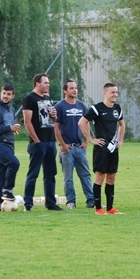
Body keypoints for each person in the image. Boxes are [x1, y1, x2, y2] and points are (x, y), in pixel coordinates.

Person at [78, 82, 126, 215]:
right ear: (105, 93)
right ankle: (98, 208)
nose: (115, 94)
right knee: (100, 177)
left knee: (112, 177)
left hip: (113, 149)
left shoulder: (117, 108)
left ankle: (110, 208)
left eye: (116, 92)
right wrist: (90, 139)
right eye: (112, 92)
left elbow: (122, 125)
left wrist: (120, 140)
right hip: (101, 149)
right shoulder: (97, 108)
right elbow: (82, 122)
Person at [22, 73, 63, 211]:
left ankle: (50, 203)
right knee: (33, 174)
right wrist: (36, 140)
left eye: (48, 82)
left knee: (50, 174)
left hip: (50, 140)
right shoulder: (29, 99)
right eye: (46, 83)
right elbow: (27, 122)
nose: (48, 85)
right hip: (38, 143)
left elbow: (52, 120)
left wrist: (54, 116)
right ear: (37, 84)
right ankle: (28, 203)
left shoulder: (47, 98)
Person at [54, 79, 94, 210]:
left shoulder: (82, 106)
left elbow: (86, 124)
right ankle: (70, 201)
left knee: (85, 175)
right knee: (68, 178)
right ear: (65, 91)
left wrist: (87, 141)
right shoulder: (60, 107)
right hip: (67, 148)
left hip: (80, 147)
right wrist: (62, 144)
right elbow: (56, 127)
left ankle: (91, 200)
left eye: (75, 88)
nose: (75, 90)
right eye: (71, 88)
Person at [0, 84, 22, 212]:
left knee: (1, 175)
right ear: (0, 93)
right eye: (4, 93)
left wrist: (12, 130)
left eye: (8, 94)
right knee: (14, 163)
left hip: (8, 144)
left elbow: (9, 127)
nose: (5, 96)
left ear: (13, 96)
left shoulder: (11, 110)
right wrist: (9, 128)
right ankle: (7, 190)